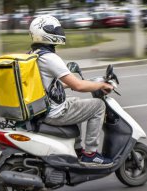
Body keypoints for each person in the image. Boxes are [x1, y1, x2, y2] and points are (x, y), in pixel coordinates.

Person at [29, 15, 115, 167]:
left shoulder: (33, 54)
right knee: (98, 106)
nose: (59, 32)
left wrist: (74, 84)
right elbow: (79, 86)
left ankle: (77, 149)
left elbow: (48, 85)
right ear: (44, 32)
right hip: (54, 113)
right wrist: (101, 85)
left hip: (44, 108)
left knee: (76, 102)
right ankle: (90, 154)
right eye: (55, 30)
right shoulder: (49, 57)